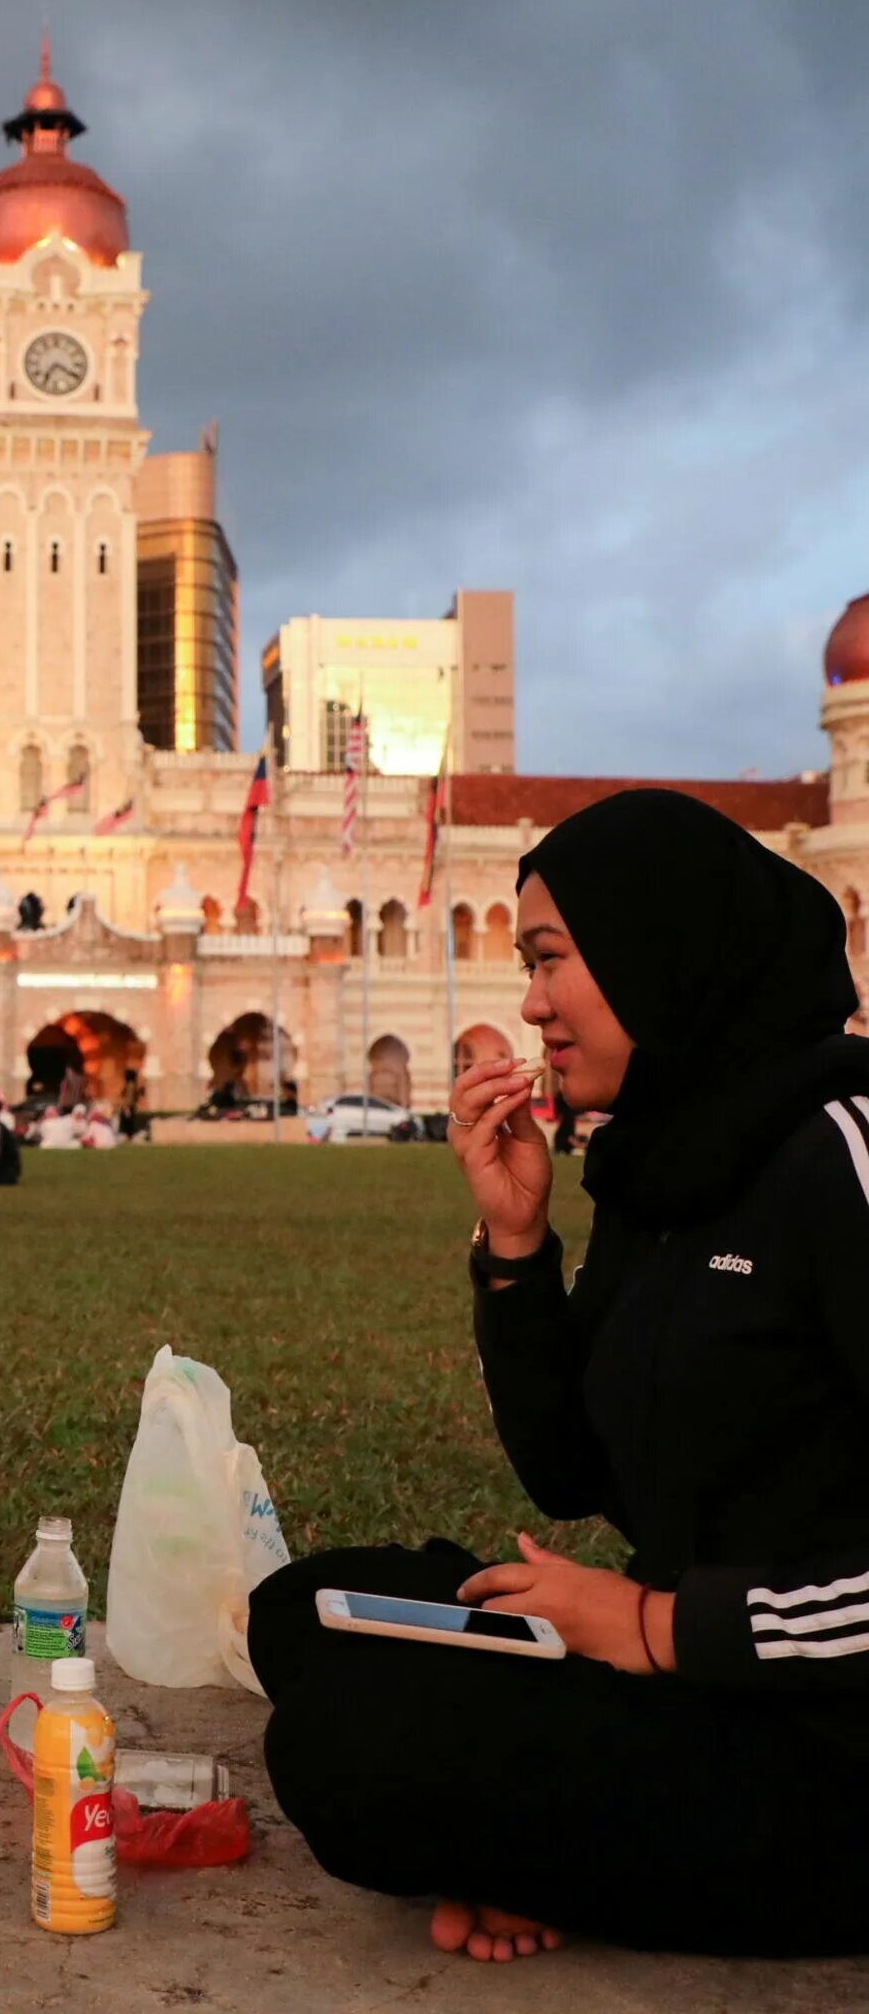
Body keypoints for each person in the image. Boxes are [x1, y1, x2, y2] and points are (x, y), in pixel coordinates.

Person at [247, 787, 869, 1962]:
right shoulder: (665, 1163)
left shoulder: (843, 1151)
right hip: (693, 1675)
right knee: (304, 1612)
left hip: (830, 1741)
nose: (527, 1004)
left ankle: (537, 1849)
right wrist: (518, 1247)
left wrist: (655, 1623)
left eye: (549, 960)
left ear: (655, 949)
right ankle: (542, 1845)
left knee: (348, 1755)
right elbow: (566, 1470)